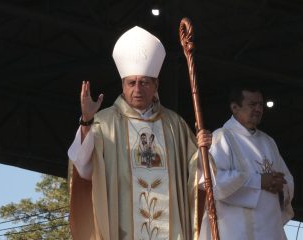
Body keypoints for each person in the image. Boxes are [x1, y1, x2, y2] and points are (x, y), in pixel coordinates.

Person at [67, 26, 212, 240]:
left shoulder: (175, 125)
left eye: (144, 82)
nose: (137, 89)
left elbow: (200, 178)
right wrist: (87, 121)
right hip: (121, 229)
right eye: (131, 83)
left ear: (156, 85)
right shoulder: (104, 122)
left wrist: (203, 151)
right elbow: (84, 169)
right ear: (123, 85)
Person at [198, 85, 294, 240]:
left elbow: (288, 180)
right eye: (252, 104)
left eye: (260, 105)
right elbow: (212, 182)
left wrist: (281, 185)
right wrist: (259, 181)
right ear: (235, 107)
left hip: (270, 230)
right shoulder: (222, 137)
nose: (258, 109)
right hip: (235, 230)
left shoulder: (269, 142)